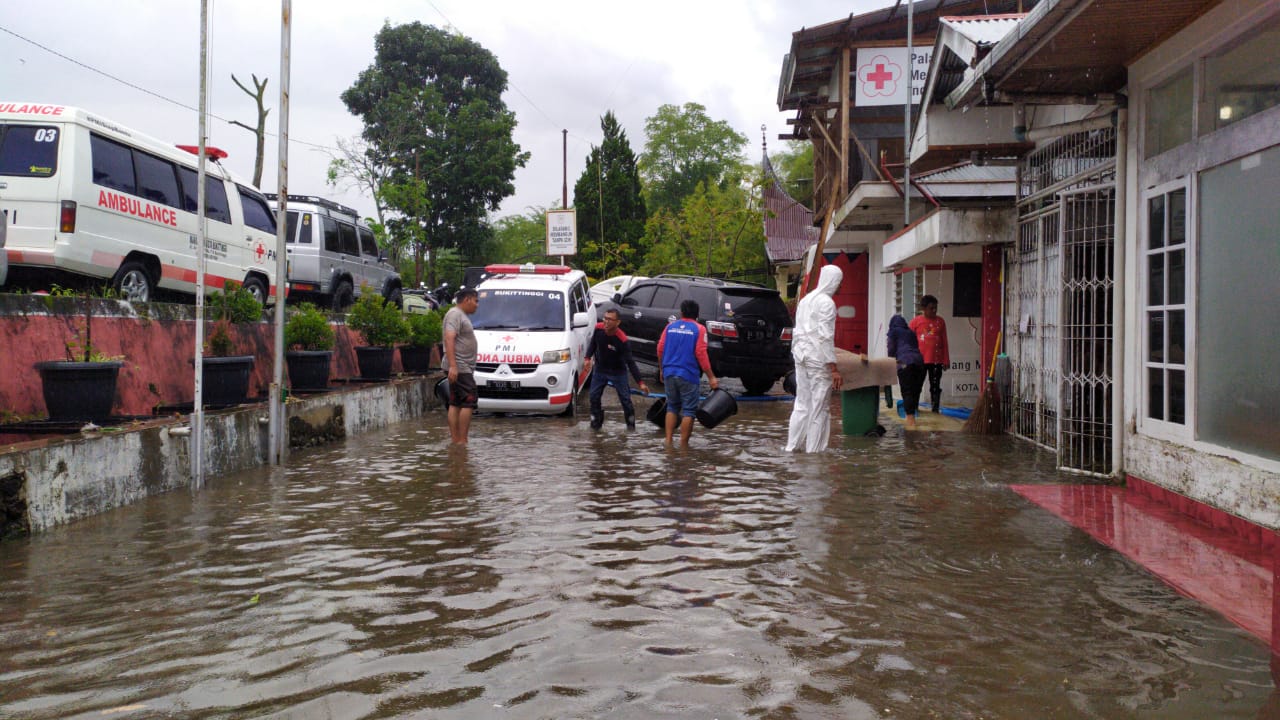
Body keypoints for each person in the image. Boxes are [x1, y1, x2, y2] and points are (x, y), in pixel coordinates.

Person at [785, 265, 846, 452]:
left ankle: (791, 447)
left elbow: (798, 330)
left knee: (802, 404)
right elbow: (825, 336)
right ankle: (814, 453)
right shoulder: (826, 303)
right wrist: (833, 368)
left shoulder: (806, 300)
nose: (840, 286)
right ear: (833, 281)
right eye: (840, 282)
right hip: (818, 359)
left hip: (801, 355)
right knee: (820, 408)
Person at [657, 299, 718, 448]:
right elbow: (701, 353)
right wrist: (711, 377)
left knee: (672, 407)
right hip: (688, 374)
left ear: (681, 312)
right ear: (697, 314)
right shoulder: (699, 329)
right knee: (689, 410)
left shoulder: (670, 327)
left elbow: (660, 348)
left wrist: (661, 369)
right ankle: (684, 446)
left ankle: (669, 441)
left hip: (669, 371)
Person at [584, 308, 650, 430]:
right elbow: (593, 344)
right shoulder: (598, 329)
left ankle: (631, 428)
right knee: (593, 397)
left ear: (617, 322)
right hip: (600, 369)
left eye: (610, 319)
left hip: (618, 372)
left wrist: (640, 383)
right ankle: (596, 425)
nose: (606, 322)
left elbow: (630, 362)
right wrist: (587, 358)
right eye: (605, 318)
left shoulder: (622, 340)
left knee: (626, 401)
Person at [442, 288, 480, 445]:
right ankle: (462, 440)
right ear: (467, 299)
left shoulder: (459, 315)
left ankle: (456, 441)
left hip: (461, 366)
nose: (477, 305)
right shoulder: (455, 314)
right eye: (476, 301)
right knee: (469, 401)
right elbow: (449, 337)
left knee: (456, 402)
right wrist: (453, 366)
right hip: (460, 366)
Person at [909, 294, 950, 413]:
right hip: (919, 360)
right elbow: (908, 342)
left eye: (935, 308)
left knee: (935, 386)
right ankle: (914, 408)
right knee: (917, 385)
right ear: (923, 308)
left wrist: (946, 360)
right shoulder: (915, 322)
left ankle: (935, 408)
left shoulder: (940, 321)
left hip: (936, 360)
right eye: (931, 308)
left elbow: (944, 342)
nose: (934, 310)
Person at [887, 314, 925, 429]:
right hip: (919, 363)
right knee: (915, 390)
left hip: (904, 362)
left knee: (907, 390)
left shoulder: (893, 332)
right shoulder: (911, 332)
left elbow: (891, 349)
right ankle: (914, 414)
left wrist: (891, 360)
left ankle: (910, 421)